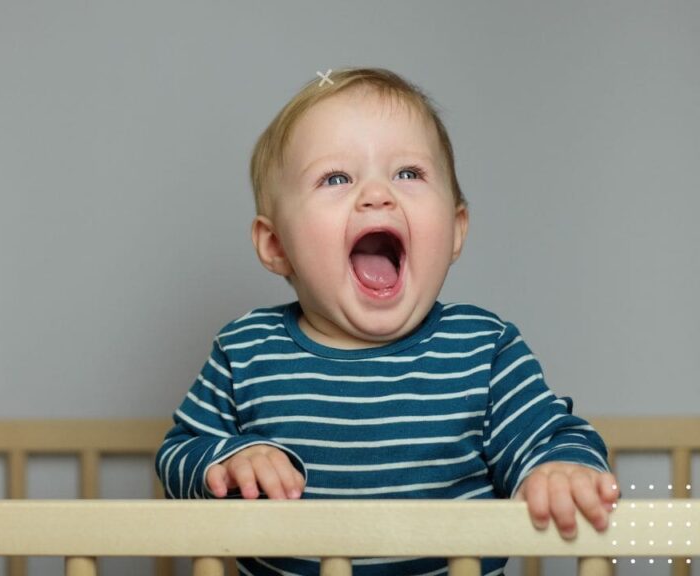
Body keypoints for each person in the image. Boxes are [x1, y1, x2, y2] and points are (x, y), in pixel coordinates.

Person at [154, 67, 618, 575]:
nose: (378, 195)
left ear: (457, 229)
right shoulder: (245, 351)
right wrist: (228, 459)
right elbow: (179, 454)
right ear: (276, 245)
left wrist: (558, 471)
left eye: (408, 174)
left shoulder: (483, 351)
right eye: (336, 178)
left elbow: (550, 436)